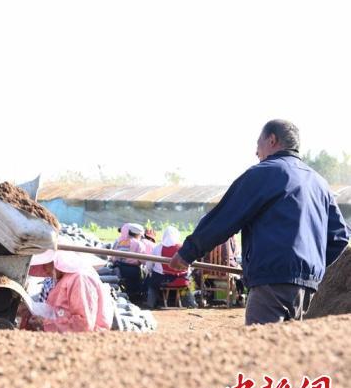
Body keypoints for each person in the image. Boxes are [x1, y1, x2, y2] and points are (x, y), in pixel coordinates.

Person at [169, 119, 350, 325]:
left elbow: (224, 218)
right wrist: (310, 264)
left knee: (264, 347)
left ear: (272, 140)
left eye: (258, 144)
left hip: (272, 279)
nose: (256, 152)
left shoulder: (263, 173)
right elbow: (340, 236)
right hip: (307, 285)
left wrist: (187, 254)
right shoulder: (319, 183)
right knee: (289, 347)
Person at [26, 248, 113, 332]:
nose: (44, 268)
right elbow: (59, 311)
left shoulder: (80, 279)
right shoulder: (65, 278)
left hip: (84, 340)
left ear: (57, 262)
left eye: (46, 264)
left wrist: (44, 322)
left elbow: (82, 325)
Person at [145, 226, 195, 308]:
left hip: (162, 280)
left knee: (151, 283)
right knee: (190, 281)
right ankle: (191, 302)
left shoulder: (157, 248)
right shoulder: (184, 248)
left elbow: (149, 265)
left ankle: (151, 304)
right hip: (182, 280)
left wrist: (150, 271)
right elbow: (191, 265)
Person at [113, 223, 147, 303]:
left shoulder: (119, 241)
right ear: (138, 234)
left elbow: (113, 257)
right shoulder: (139, 244)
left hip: (118, 268)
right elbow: (143, 260)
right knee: (140, 277)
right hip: (132, 270)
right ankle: (135, 297)